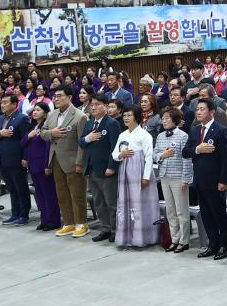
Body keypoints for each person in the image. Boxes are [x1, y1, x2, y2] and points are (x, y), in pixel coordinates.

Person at [183, 97, 227, 259]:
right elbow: (185, 152)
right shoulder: (195, 130)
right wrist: (197, 149)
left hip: (215, 180)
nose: (198, 112)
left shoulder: (220, 130)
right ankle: (213, 244)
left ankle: (225, 246)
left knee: (219, 215)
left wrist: (224, 181)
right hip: (199, 179)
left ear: (212, 112)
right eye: (197, 109)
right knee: (206, 215)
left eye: (202, 109)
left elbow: (226, 158)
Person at [41, 86, 89, 238]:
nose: (56, 98)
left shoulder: (80, 116)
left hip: (73, 159)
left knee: (77, 194)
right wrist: (52, 133)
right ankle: (68, 222)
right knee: (61, 193)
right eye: (55, 96)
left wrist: (80, 162)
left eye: (60, 96)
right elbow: (42, 133)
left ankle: (81, 223)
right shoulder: (52, 114)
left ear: (69, 97)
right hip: (55, 158)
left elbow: (82, 142)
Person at [112, 104, 158, 247]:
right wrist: (121, 154)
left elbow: (149, 157)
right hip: (125, 172)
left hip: (139, 172)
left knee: (139, 204)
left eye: (129, 115)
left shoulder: (145, 135)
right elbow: (114, 155)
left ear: (137, 117)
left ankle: (143, 237)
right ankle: (127, 237)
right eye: (124, 115)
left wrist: (146, 177)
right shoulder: (122, 135)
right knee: (125, 203)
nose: (126, 118)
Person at [80, 94, 121, 243]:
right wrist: (87, 138)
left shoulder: (111, 123)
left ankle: (116, 230)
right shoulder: (89, 123)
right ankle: (105, 228)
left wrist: (112, 166)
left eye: (97, 104)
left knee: (111, 202)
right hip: (92, 168)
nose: (94, 107)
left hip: (106, 170)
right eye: (92, 105)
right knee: (98, 201)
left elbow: (115, 147)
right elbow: (81, 142)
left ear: (105, 106)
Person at [155, 107, 192, 253]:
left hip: (178, 177)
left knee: (181, 210)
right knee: (170, 210)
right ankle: (174, 239)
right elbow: (154, 155)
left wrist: (185, 179)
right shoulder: (160, 136)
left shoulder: (183, 136)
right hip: (164, 176)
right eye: (162, 118)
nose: (164, 121)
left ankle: (184, 240)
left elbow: (187, 160)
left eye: (167, 118)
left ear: (175, 120)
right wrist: (162, 155)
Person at [0, 94, 31, 226]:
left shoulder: (22, 119)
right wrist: (0, 133)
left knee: (21, 188)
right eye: (1, 102)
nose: (2, 105)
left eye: (5, 102)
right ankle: (14, 213)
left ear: (14, 104)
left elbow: (26, 140)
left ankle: (24, 214)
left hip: (17, 159)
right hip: (3, 159)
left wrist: (25, 157)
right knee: (11, 188)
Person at [23, 99, 60, 231]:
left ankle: (53, 221)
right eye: (34, 110)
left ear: (45, 114)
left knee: (49, 194)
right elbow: (23, 143)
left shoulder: (47, 127)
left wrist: (47, 165)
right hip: (33, 165)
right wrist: (29, 136)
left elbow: (48, 148)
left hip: (43, 165)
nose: (35, 112)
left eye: (38, 110)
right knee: (40, 195)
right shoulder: (32, 127)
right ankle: (44, 220)